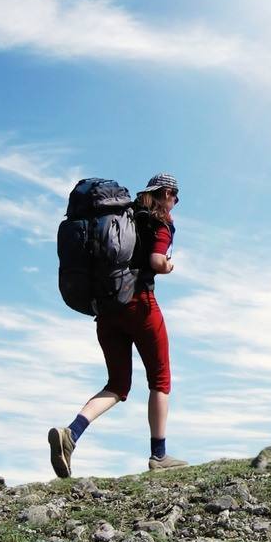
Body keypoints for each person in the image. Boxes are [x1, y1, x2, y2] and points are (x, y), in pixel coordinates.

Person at [49, 173, 188, 476]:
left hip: (107, 308)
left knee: (117, 384)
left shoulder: (123, 216)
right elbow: (155, 260)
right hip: (140, 305)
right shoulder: (160, 222)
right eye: (175, 196)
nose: (176, 202)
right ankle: (159, 455)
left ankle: (71, 433)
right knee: (160, 380)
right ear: (165, 193)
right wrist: (168, 264)